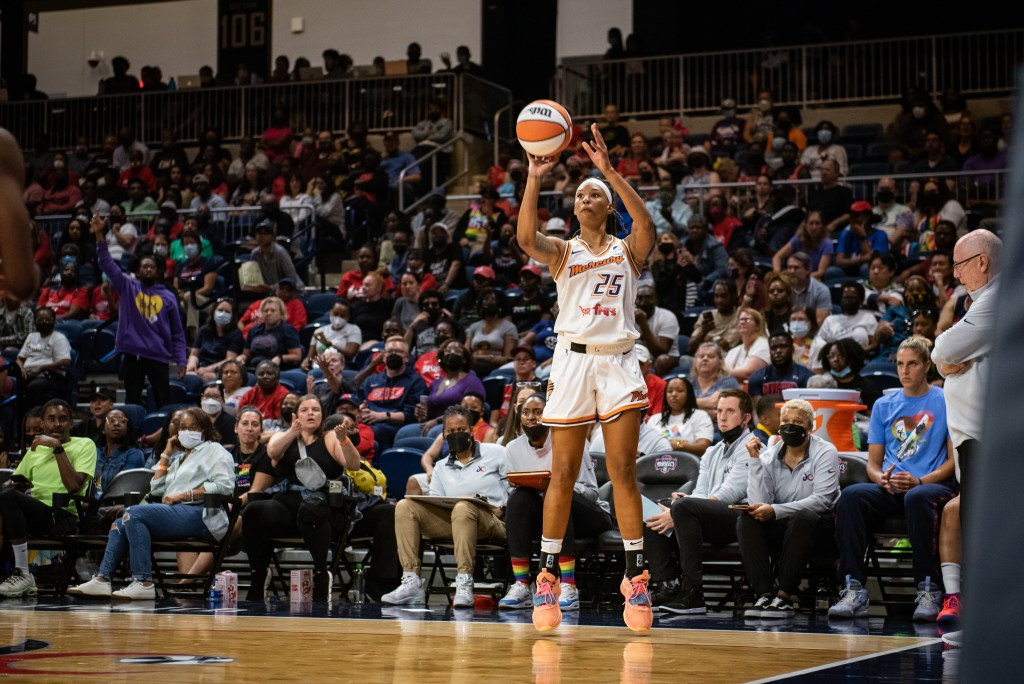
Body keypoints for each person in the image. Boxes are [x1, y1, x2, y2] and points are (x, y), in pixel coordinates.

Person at [517, 123, 656, 632]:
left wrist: (609, 172)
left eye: (593, 192)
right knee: (563, 474)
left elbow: (646, 222)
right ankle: (548, 576)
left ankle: (635, 577)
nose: (586, 196)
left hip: (618, 360)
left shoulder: (626, 250)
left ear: (605, 206)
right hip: (573, 362)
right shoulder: (562, 252)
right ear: (574, 210)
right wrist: (534, 176)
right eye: (580, 194)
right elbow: (525, 237)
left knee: (622, 470)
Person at [829, 337, 957, 621]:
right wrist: (882, 479)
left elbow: (952, 463)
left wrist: (921, 481)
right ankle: (854, 589)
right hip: (891, 487)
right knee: (851, 496)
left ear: (927, 366)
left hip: (929, 486)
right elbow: (873, 465)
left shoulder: (945, 400)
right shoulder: (883, 406)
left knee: (917, 497)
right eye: (900, 364)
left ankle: (928, 589)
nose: (905, 371)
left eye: (912, 364)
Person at [68, 407, 234, 600]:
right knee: (122, 522)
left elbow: (224, 486)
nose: (185, 432)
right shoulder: (180, 457)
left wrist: (184, 495)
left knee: (134, 513)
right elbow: (155, 488)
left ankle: (143, 581)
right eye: (182, 428)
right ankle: (103, 579)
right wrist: (166, 453)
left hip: (203, 514)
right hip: (176, 512)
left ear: (204, 429)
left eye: (192, 427)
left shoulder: (215, 451)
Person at [381, 405, 509, 608]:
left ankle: (465, 582)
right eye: (451, 431)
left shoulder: (497, 453)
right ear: (443, 434)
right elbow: (436, 502)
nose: (456, 434)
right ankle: (411, 581)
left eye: (461, 430)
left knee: (464, 507)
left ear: (471, 431)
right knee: (405, 506)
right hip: (455, 522)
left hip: (493, 521)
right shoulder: (440, 467)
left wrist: (503, 507)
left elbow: (515, 488)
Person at [642, 390, 753, 614]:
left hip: (740, 518)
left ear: (746, 418)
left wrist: (682, 508)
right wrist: (679, 506)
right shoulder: (712, 451)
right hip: (706, 515)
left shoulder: (751, 447)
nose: (722, 417)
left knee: (681, 507)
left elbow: (728, 495)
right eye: (719, 411)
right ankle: (667, 585)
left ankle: (693, 593)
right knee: (655, 508)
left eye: (730, 411)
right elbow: (702, 491)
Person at [498, 392, 611, 611]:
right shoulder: (512, 449)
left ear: (550, 414)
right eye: (527, 412)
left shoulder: (571, 442)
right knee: (519, 498)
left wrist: (555, 484)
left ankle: (568, 585)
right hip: (543, 518)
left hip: (589, 516)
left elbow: (591, 492)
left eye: (538, 412)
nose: (532, 417)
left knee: (558, 495)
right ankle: (522, 584)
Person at [241, 395, 360, 602]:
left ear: (322, 415)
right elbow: (273, 451)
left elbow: (352, 465)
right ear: (296, 415)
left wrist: (344, 440)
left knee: (311, 508)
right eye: (305, 410)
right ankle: (258, 573)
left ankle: (322, 574)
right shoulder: (282, 436)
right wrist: (293, 433)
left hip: (324, 505)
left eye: (315, 409)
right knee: (254, 511)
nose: (311, 413)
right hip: (287, 503)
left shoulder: (329, 437)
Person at [738, 398, 840, 617]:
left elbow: (822, 500)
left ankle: (784, 596)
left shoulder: (825, 452)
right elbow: (758, 500)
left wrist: (776, 510)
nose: (790, 425)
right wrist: (754, 461)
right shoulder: (769, 455)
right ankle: (764, 594)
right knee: (747, 519)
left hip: (819, 527)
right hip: (783, 525)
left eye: (798, 421)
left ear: (810, 427)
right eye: (785, 421)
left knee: (803, 517)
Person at [931, 229, 1000, 507]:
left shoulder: (997, 298)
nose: (956, 275)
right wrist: (945, 365)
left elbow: (942, 349)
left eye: (959, 265)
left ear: (982, 262)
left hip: (985, 443)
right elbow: (944, 359)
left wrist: (943, 360)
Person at [0, 400, 96, 597]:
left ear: (71, 423)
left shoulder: (85, 445)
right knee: (7, 497)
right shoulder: (35, 449)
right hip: (34, 516)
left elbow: (74, 486)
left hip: (63, 517)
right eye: (51, 419)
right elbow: (10, 485)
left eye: (62, 419)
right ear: (42, 424)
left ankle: (22, 573)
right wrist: (14, 485)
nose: (57, 424)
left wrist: (57, 447)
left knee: (9, 499)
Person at [90, 214, 186, 407]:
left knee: (163, 401)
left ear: (158, 271)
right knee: (132, 401)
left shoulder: (168, 296)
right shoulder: (128, 286)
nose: (148, 270)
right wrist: (99, 234)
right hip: (133, 354)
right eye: (145, 267)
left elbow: (177, 331)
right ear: (138, 270)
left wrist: (181, 359)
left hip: (158, 355)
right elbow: (107, 264)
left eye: (152, 267)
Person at [358, 336, 426, 448]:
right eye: (390, 351)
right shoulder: (371, 380)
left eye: (399, 352)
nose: (393, 354)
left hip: (395, 427)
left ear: (407, 358)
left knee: (372, 432)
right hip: (369, 423)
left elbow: (410, 416)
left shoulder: (416, 381)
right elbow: (360, 403)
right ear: (384, 357)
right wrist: (361, 411)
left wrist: (382, 416)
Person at [16, 307, 72, 408]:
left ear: (53, 321)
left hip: (50, 375)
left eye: (47, 319)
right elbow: (20, 358)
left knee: (33, 387)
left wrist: (41, 368)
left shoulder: (59, 338)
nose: (44, 322)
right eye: (40, 320)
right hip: (27, 374)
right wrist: (22, 369)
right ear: (35, 322)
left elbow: (65, 361)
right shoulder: (31, 336)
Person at [645, 376, 713, 457]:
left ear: (689, 394)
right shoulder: (654, 419)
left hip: (688, 465)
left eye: (679, 391)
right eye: (670, 391)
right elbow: (645, 446)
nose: (673, 394)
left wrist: (676, 445)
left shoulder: (700, 416)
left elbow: (703, 447)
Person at [92, 408, 145, 500]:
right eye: (111, 420)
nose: (116, 424)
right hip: (90, 505)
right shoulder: (95, 452)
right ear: (103, 430)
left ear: (128, 428)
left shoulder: (134, 454)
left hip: (114, 507)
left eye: (122, 421)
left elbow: (126, 490)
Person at [187, 297, 244, 382]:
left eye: (227, 312)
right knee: (187, 376)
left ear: (232, 316)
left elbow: (230, 360)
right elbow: (194, 354)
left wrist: (208, 369)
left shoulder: (236, 334)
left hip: (220, 370)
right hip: (201, 367)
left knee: (206, 377)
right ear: (213, 312)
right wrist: (192, 364)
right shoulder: (204, 330)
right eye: (220, 310)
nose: (223, 313)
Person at [686, 280, 741, 355]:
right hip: (705, 357)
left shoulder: (741, 315)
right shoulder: (705, 316)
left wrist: (728, 349)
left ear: (734, 296)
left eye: (724, 296)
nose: (719, 301)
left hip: (730, 359)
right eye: (716, 296)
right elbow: (690, 349)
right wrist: (703, 331)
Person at [691, 342, 740, 423]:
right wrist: (706, 413)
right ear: (695, 361)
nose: (705, 359)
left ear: (720, 361)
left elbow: (714, 402)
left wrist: (687, 404)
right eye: (701, 356)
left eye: (710, 356)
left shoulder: (729, 381)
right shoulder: (688, 383)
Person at [724, 308, 770, 384]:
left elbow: (748, 373)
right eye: (740, 320)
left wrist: (720, 373)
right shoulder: (733, 351)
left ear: (757, 326)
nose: (742, 322)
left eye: (746, 320)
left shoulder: (764, 345)